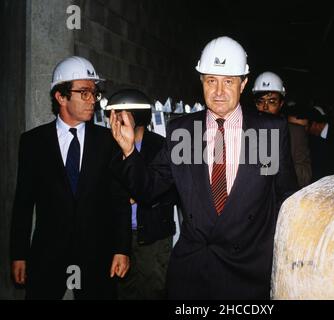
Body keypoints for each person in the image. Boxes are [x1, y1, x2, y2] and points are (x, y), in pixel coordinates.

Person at [109, 36, 298, 299]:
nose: (219, 91)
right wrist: (129, 151)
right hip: (193, 274)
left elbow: (286, 199)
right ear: (201, 81)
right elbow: (149, 189)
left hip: (249, 272)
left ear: (243, 83)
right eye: (211, 80)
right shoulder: (182, 131)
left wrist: (281, 257)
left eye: (228, 81)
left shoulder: (269, 131)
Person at [10, 56, 130, 299]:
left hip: (98, 256)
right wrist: (19, 254)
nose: (92, 101)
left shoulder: (108, 141)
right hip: (47, 255)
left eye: (94, 93)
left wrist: (121, 249)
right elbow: (23, 202)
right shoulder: (33, 143)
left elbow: (119, 199)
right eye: (84, 93)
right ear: (61, 97)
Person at [104, 89, 177, 299]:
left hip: (154, 237)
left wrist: (144, 193)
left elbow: (173, 191)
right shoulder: (112, 148)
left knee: (153, 292)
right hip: (123, 237)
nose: (115, 120)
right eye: (114, 115)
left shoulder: (161, 146)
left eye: (121, 115)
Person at [252, 71, 311, 188]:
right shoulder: (245, 130)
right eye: (261, 101)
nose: (265, 107)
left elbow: (305, 176)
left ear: (281, 104)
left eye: (271, 102)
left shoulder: (295, 133)